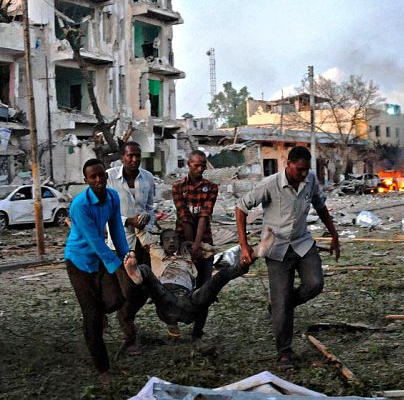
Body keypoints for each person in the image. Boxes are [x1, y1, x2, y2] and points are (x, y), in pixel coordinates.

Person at [235, 146, 340, 371]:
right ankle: (284, 352)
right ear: (288, 165)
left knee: (315, 283)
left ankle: (280, 306)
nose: (303, 174)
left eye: (306, 170)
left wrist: (334, 234)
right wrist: (245, 247)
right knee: (281, 301)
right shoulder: (270, 184)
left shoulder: (310, 180)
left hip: (302, 242)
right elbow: (241, 207)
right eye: (299, 170)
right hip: (276, 248)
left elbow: (320, 206)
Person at [123, 229, 271, 332]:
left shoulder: (187, 255)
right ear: (161, 243)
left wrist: (195, 245)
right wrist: (140, 223)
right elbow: (142, 234)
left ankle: (251, 257)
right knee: (147, 272)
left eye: (174, 238)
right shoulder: (156, 251)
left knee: (217, 279)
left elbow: (211, 251)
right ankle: (137, 274)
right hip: (165, 300)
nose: (171, 241)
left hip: (188, 300)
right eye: (167, 239)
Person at [64, 158, 129, 382]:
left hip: (100, 258)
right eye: (93, 177)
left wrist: (126, 255)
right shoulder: (80, 205)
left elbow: (116, 228)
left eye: (101, 175)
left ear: (106, 176)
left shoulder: (112, 197)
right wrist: (116, 263)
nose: (99, 180)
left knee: (116, 300)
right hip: (79, 262)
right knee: (91, 315)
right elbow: (95, 241)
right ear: (86, 180)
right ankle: (103, 369)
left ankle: (99, 318)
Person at [106, 141, 156, 355]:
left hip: (143, 243)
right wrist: (128, 220)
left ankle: (128, 321)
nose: (134, 160)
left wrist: (148, 223)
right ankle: (130, 336)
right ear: (121, 157)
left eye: (137, 156)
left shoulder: (148, 177)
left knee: (145, 288)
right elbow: (104, 210)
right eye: (130, 156)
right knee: (126, 290)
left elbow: (151, 207)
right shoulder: (108, 177)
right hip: (120, 243)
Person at [170, 149, 218, 341]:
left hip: (204, 243)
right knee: (179, 285)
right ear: (188, 165)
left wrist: (197, 247)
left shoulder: (211, 187)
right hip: (181, 244)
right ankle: (175, 323)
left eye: (203, 165)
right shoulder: (178, 187)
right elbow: (184, 219)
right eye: (196, 165)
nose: (200, 169)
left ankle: (197, 332)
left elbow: (203, 218)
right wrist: (190, 247)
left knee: (204, 288)